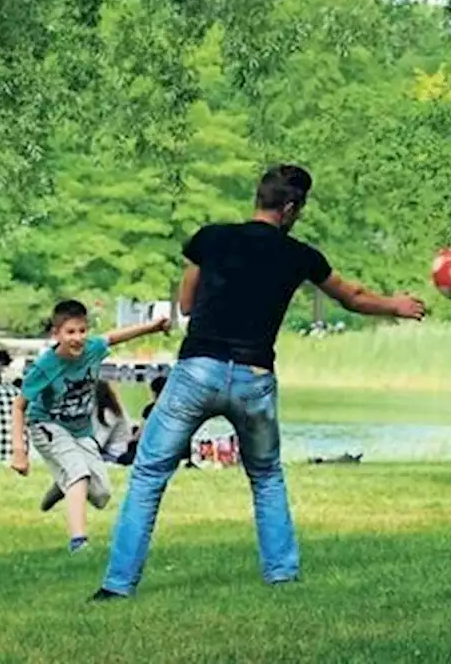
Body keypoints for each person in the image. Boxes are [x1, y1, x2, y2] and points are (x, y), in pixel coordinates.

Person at [91, 163, 425, 601]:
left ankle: (117, 586)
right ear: (289, 207)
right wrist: (396, 306)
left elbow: (187, 304)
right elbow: (353, 297)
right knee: (266, 476)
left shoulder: (210, 239)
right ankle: (282, 577)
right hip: (254, 378)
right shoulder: (300, 255)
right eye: (299, 209)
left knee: (150, 474)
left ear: (259, 198)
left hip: (197, 371)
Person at [10, 299, 169, 554]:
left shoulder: (92, 349)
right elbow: (18, 406)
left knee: (101, 495)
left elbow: (114, 337)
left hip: (81, 430)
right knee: (78, 474)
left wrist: (152, 327)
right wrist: (20, 451)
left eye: (82, 331)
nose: (77, 338)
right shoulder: (45, 366)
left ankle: (64, 485)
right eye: (70, 332)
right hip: (47, 425)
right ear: (57, 334)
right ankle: (78, 543)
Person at [38, 380, 137, 511]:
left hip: (113, 455)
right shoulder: (107, 411)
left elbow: (97, 443)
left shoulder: (108, 414)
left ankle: (67, 481)